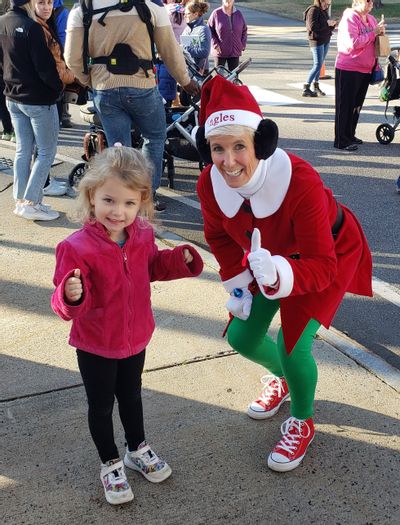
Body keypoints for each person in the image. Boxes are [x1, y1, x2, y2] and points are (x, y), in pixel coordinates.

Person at [195, 75, 373, 472]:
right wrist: (239, 285)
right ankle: (284, 380)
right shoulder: (209, 183)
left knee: (292, 346)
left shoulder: (299, 178)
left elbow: (322, 264)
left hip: (326, 254)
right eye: (217, 148)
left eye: (239, 146)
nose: (228, 161)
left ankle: (303, 420)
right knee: (242, 336)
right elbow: (217, 236)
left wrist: (277, 272)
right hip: (265, 258)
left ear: (262, 143)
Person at [51, 146, 203, 505]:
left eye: (129, 204)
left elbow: (152, 268)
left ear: (141, 203)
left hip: (136, 338)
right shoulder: (75, 247)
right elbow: (66, 304)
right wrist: (70, 295)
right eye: (108, 200)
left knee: (132, 396)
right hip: (96, 344)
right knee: (101, 405)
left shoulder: (143, 236)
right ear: (91, 196)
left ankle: (137, 448)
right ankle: (110, 462)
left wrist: (179, 260)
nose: (118, 211)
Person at [64, 0, 200, 213]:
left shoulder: (82, 8)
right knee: (154, 138)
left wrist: (90, 80)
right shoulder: (151, 6)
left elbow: (71, 58)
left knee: (119, 149)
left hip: (104, 87)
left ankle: (122, 201)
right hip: (142, 86)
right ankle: (146, 197)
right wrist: (185, 81)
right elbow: (169, 50)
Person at [0, 0, 63, 221]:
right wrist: (59, 88)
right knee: (46, 152)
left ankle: (22, 200)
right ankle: (31, 202)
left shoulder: (2, 23)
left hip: (13, 97)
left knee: (23, 150)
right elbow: (45, 69)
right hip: (38, 100)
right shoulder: (31, 27)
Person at [33, 0, 74, 197]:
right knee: (45, 146)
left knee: (30, 147)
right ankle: (41, 187)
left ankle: (33, 188)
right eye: (42, 2)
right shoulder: (40, 26)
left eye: (49, 2)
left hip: (23, 94)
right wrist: (72, 77)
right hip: (44, 94)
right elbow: (55, 62)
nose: (46, 6)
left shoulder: (27, 22)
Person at [334, 0, 385, 151]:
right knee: (345, 105)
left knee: (356, 106)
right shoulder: (350, 17)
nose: (371, 3)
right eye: (368, 1)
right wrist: (373, 33)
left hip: (365, 68)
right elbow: (353, 43)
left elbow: (373, 40)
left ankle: (350, 134)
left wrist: (380, 33)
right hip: (349, 67)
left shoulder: (371, 19)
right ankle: (341, 139)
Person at [302, 0, 336, 97]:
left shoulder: (323, 11)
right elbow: (312, 27)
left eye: (329, 4)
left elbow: (326, 27)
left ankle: (316, 86)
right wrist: (327, 24)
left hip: (325, 40)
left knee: (320, 65)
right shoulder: (313, 10)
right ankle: (306, 87)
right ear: (320, 1)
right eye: (326, 3)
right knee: (317, 64)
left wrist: (332, 25)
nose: (328, 5)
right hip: (316, 41)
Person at [207, 0, 247, 73]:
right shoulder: (216, 13)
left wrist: (242, 45)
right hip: (220, 52)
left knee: (234, 77)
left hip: (235, 51)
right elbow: (209, 30)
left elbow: (244, 30)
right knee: (219, 77)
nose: (228, 0)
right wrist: (215, 44)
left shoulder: (238, 14)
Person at [181, 0, 211, 74]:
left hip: (199, 71)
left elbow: (205, 52)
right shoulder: (187, 29)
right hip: (187, 69)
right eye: (184, 14)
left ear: (196, 14)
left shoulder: (203, 29)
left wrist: (184, 50)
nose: (184, 16)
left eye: (187, 14)